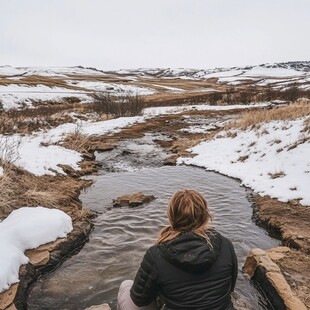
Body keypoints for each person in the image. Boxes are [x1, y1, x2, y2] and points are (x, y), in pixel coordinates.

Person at [117, 189, 238, 310]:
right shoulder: (225, 244)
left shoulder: (156, 254)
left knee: (126, 286)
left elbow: (139, 299)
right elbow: (230, 287)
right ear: (205, 216)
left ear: (171, 216)